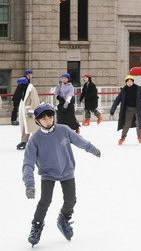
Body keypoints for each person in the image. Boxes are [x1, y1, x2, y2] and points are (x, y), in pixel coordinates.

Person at [22, 103, 101, 246]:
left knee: (71, 200)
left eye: (50, 116)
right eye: (44, 118)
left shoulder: (64, 130)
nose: (48, 120)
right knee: (45, 202)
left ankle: (63, 218)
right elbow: (28, 163)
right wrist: (29, 184)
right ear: (37, 121)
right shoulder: (35, 139)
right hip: (48, 174)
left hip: (66, 171)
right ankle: (36, 226)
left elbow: (80, 141)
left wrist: (93, 149)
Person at [109, 75, 141, 145]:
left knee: (139, 123)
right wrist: (112, 110)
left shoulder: (138, 89)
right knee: (126, 124)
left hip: (137, 109)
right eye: (128, 81)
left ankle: (139, 136)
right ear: (126, 82)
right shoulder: (123, 90)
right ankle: (123, 137)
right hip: (128, 109)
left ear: (133, 82)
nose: (129, 83)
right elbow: (117, 100)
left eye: (131, 81)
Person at [16, 77, 40, 150]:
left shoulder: (31, 89)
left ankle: (38, 142)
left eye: (21, 84)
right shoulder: (24, 90)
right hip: (25, 112)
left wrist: (31, 110)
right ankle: (24, 141)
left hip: (30, 112)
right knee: (25, 128)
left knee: (33, 128)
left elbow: (35, 100)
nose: (19, 86)